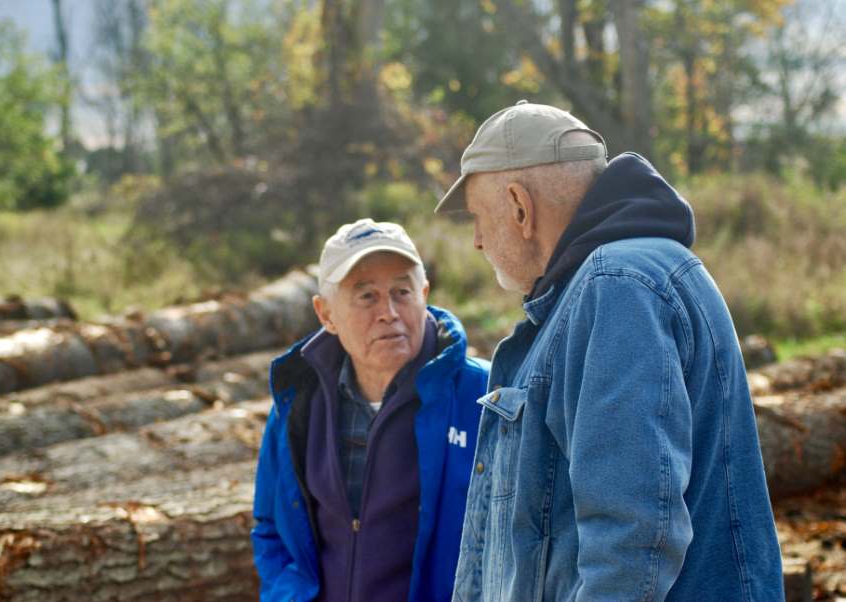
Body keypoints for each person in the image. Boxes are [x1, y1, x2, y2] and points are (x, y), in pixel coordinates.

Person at [436, 101, 784, 601]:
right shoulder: (614, 282)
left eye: (476, 218)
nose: (475, 241)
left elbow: (632, 538)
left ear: (518, 206)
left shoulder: (618, 287)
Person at [251, 218, 490, 602]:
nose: (389, 312)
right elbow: (270, 526)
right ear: (326, 314)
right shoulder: (297, 400)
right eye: (366, 296)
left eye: (402, 291)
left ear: (424, 293)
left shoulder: (484, 397)